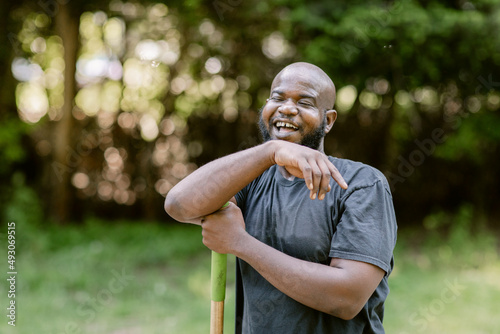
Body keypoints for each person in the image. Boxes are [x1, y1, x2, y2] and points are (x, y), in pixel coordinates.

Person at [164, 62, 397, 333]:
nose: (286, 107)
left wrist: (241, 243)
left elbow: (345, 298)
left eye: (305, 102)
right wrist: (270, 151)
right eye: (277, 98)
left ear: (328, 120)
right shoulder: (252, 180)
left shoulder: (361, 184)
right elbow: (178, 205)